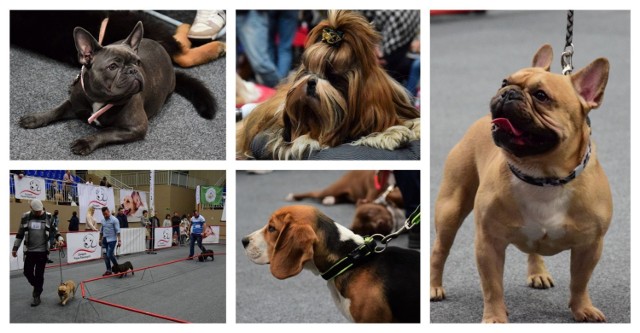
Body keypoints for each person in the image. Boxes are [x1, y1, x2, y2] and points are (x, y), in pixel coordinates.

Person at [12, 199, 65, 306]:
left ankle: (36, 295)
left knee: (39, 274)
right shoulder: (25, 217)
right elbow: (20, 233)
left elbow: (54, 230)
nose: (39, 213)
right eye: (37, 211)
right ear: (31, 208)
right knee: (27, 272)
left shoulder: (48, 216)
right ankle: (38, 287)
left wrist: (60, 238)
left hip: (42, 251)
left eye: (40, 211)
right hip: (30, 251)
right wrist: (15, 248)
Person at [99, 207, 121, 276]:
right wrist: (100, 239)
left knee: (109, 254)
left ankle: (117, 267)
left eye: (106, 214)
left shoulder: (115, 220)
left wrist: (119, 240)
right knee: (105, 256)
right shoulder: (102, 221)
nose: (105, 216)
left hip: (112, 240)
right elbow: (101, 231)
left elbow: (118, 231)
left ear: (109, 211)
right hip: (105, 240)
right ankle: (108, 270)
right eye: (103, 214)